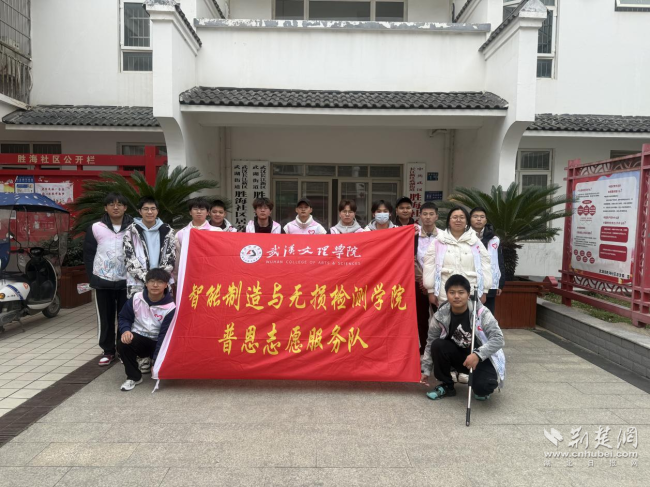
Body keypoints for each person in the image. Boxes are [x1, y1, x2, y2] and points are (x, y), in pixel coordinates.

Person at [420, 274, 505, 401]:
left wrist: (478, 355)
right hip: (458, 357)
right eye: (452, 292)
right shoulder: (440, 315)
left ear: (468, 294)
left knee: (484, 388)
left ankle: (479, 382)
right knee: (437, 344)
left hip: (481, 358)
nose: (456, 296)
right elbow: (430, 342)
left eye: (461, 292)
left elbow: (498, 338)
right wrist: (425, 370)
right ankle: (447, 385)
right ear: (446, 294)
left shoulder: (481, 312)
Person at [83, 192, 133, 366]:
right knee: (105, 318)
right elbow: (89, 255)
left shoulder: (134, 227)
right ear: (105, 208)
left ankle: (123, 350)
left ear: (125, 207)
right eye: (111, 204)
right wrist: (93, 277)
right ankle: (108, 351)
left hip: (127, 281)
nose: (115, 207)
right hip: (103, 281)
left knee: (126, 317)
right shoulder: (96, 228)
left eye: (119, 204)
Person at [117, 268, 176, 391]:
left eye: (160, 282)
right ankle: (134, 377)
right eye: (151, 281)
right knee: (123, 342)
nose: (155, 285)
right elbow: (124, 317)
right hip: (139, 339)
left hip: (157, 342)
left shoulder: (170, 307)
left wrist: (157, 362)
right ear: (146, 283)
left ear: (166, 285)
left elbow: (164, 336)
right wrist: (126, 330)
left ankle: (151, 361)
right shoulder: (136, 298)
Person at [423, 206, 492, 307]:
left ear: (467, 221)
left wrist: (484, 291)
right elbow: (429, 265)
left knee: (468, 317)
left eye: (462, 217)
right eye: (455, 217)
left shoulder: (475, 242)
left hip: (470, 292)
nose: (458, 220)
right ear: (449, 221)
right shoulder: (439, 241)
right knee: (445, 317)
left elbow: (485, 265)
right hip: (444, 293)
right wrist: (431, 290)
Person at [123, 196, 176, 298]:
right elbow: (129, 259)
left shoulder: (167, 231)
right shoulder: (130, 232)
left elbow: (170, 258)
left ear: (157, 211)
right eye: (146, 209)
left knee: (162, 308)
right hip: (138, 283)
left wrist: (158, 279)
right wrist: (147, 279)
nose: (149, 212)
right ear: (140, 211)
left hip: (162, 282)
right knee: (138, 307)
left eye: (153, 209)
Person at [174, 197, 222, 280]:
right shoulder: (181, 233)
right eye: (195, 209)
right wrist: (176, 277)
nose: (199, 212)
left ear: (208, 212)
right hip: (189, 274)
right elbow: (178, 258)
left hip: (211, 274)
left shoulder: (217, 232)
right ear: (190, 212)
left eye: (202, 209)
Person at [470, 207, 505, 315]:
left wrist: (500, 283)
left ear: (486, 220)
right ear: (470, 219)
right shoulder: (465, 237)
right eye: (475, 216)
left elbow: (499, 261)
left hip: (490, 282)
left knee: (487, 315)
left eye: (482, 217)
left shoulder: (494, 239)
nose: (479, 219)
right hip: (470, 280)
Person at [414, 202, 439, 355]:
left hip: (439, 284)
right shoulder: (414, 235)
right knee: (421, 318)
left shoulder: (443, 236)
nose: (428, 217)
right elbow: (411, 259)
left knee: (440, 317)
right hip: (419, 283)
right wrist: (422, 281)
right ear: (420, 216)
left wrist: (432, 281)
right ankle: (423, 348)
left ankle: (438, 349)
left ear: (436, 216)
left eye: (431, 214)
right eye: (425, 214)